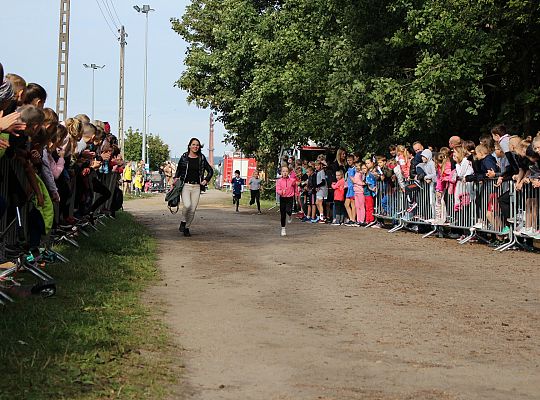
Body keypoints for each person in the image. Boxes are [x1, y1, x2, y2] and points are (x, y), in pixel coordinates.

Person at [174, 137, 213, 237]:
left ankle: (187, 228)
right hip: (185, 185)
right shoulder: (184, 157)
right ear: (189, 146)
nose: (195, 146)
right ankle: (183, 221)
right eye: (193, 144)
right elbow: (179, 169)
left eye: (197, 145)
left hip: (197, 186)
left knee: (193, 209)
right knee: (187, 205)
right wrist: (176, 178)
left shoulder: (202, 158)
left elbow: (210, 171)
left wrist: (206, 180)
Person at [275, 165, 297, 236]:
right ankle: (283, 228)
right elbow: (277, 189)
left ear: (288, 172)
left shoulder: (292, 180)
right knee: (283, 214)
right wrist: (281, 192)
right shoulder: (279, 181)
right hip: (283, 198)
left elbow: (296, 185)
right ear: (281, 172)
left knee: (288, 210)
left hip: (290, 197)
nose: (285, 173)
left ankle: (290, 215)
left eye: (286, 171)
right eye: (283, 171)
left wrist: (296, 193)